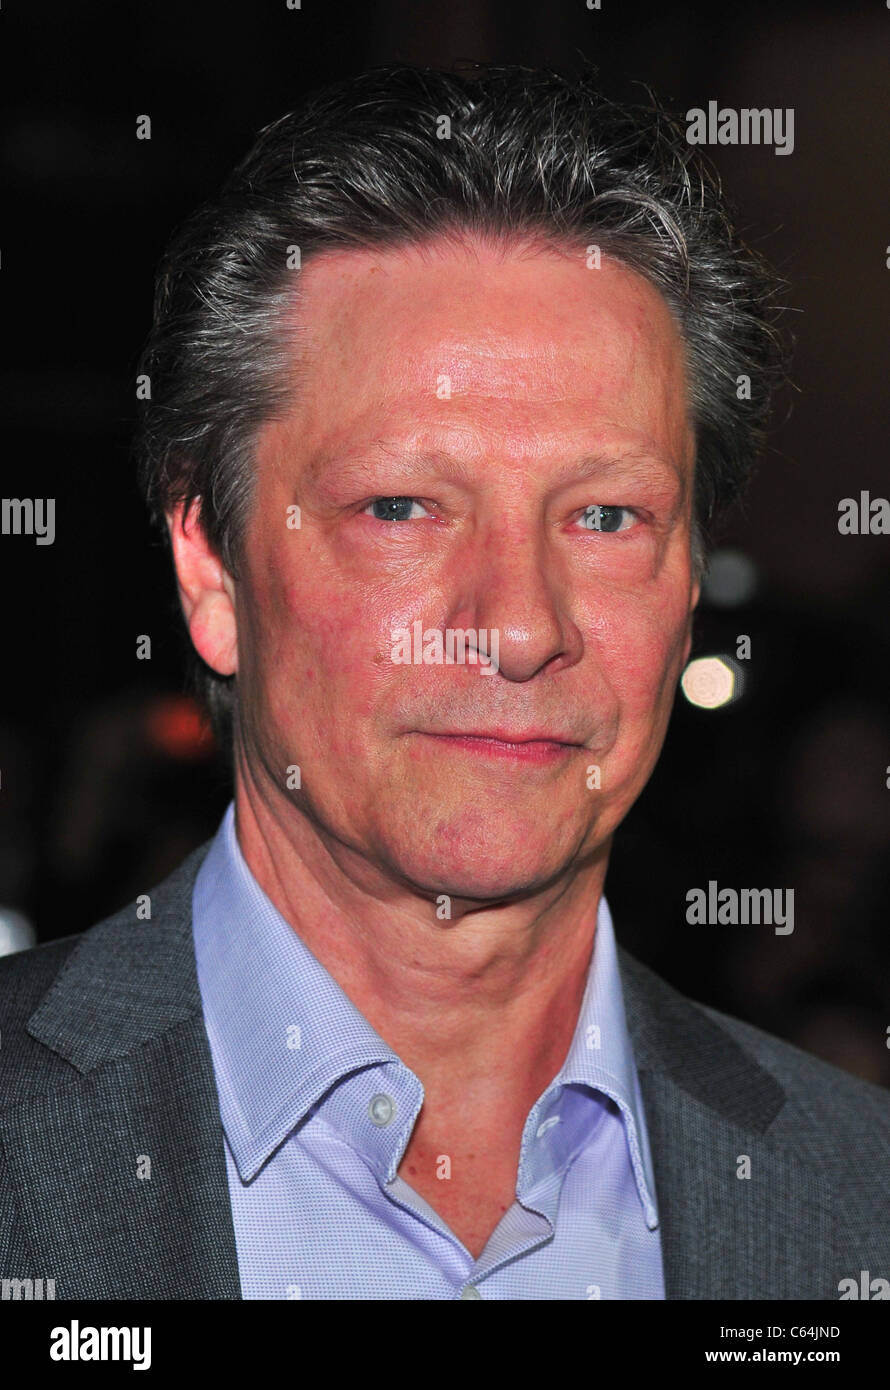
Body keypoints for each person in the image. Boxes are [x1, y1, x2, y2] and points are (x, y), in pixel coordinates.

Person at [1, 64, 887, 1301]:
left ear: (688, 572)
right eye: (403, 507)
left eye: (605, 514)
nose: (518, 626)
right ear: (210, 567)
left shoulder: (857, 1205)